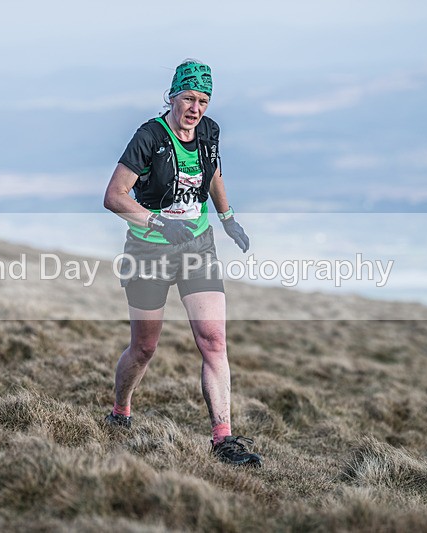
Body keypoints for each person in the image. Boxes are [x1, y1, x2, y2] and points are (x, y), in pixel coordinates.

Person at [102, 59, 262, 467]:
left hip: (197, 247)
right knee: (144, 347)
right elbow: (114, 196)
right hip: (149, 252)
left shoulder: (209, 132)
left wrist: (228, 219)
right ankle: (120, 412)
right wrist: (158, 223)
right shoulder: (150, 137)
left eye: (203, 100)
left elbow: (213, 174)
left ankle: (223, 440)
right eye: (188, 98)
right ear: (172, 96)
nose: (195, 108)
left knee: (213, 340)